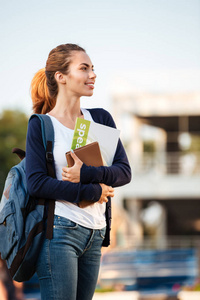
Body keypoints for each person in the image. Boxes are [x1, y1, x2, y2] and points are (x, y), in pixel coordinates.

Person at [26, 43, 131, 300]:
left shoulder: (100, 118)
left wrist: (86, 174)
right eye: (84, 68)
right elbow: (37, 184)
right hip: (59, 233)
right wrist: (92, 190)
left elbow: (123, 172)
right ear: (61, 77)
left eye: (92, 68)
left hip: (95, 233)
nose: (92, 74)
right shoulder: (42, 125)